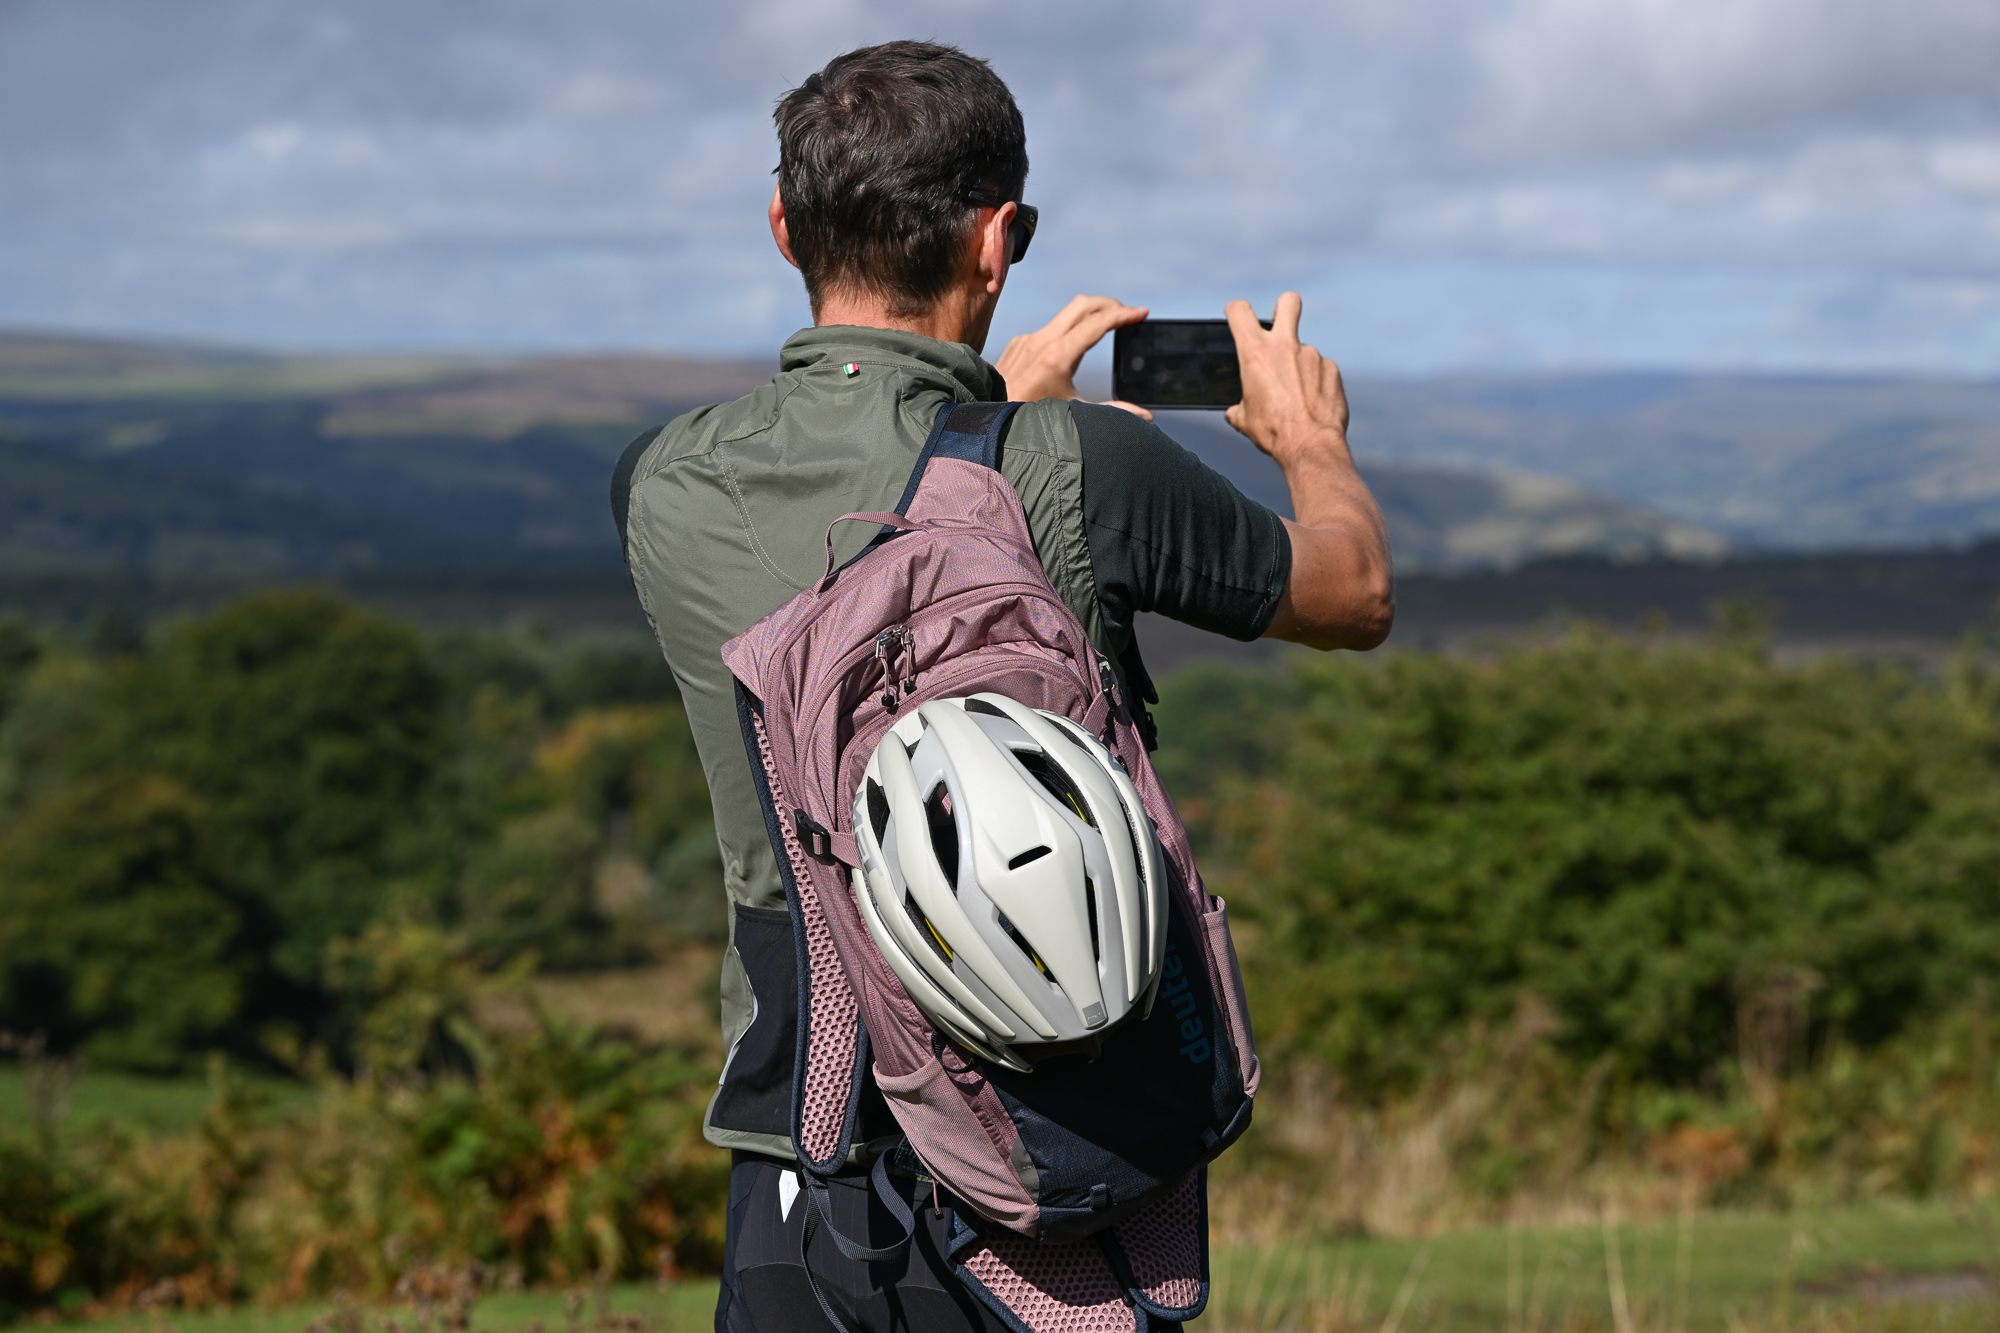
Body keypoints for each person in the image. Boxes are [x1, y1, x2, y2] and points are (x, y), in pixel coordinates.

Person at [612, 38, 1392, 1333]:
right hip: (1047, 1158)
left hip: (803, 1156)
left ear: (782, 227)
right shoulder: (1079, 467)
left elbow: (858, 553)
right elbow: (1351, 594)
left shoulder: (663, 479)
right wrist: (1311, 445)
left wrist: (992, 415)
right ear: (999, 236)